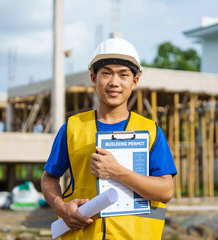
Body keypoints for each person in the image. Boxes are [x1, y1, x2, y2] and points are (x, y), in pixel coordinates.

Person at [41, 38, 177, 240]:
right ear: (94, 78)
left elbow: (166, 190)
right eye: (106, 73)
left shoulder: (151, 131)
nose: (114, 82)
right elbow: (49, 177)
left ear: (134, 81)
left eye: (123, 75)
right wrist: (62, 208)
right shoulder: (72, 128)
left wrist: (117, 171)